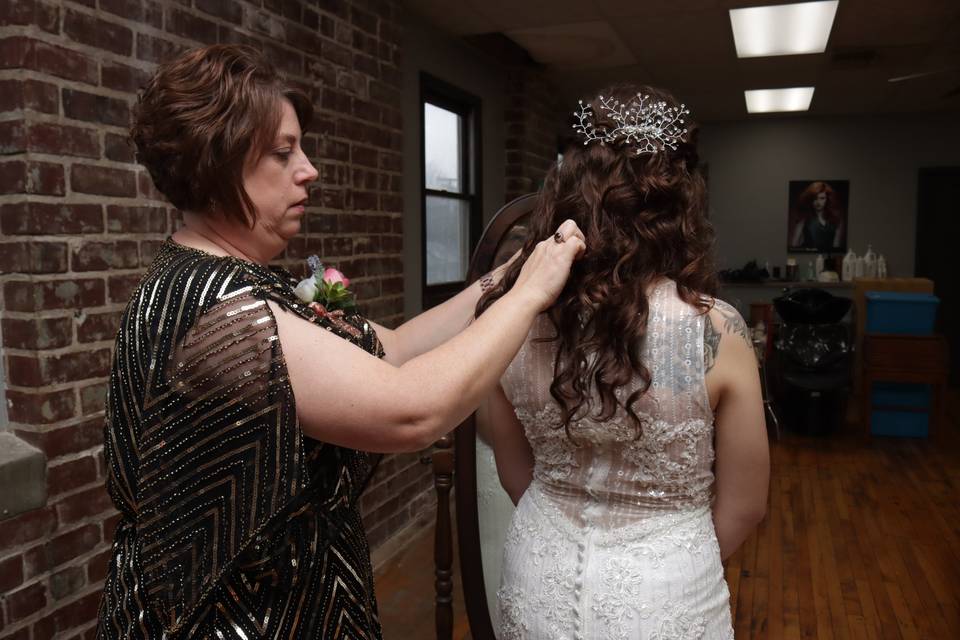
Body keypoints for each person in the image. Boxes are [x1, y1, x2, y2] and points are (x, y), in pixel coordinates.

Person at [96, 44, 585, 640]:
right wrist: (529, 298)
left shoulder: (214, 277)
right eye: (283, 152)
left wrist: (508, 275)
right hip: (244, 619)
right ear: (216, 164)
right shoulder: (220, 315)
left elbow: (398, 347)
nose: (309, 169)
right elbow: (411, 410)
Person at [477, 85, 769, 639]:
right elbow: (746, 505)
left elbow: (515, 470)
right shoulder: (715, 331)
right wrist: (670, 554)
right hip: (666, 596)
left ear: (564, 192)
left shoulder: (512, 318)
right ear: (679, 202)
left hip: (539, 576)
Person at [790, 181, 844, 252]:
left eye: (822, 198)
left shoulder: (836, 220)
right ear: (810, 199)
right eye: (815, 198)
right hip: (807, 256)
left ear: (827, 199)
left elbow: (836, 248)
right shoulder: (804, 219)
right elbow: (794, 246)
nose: (818, 202)